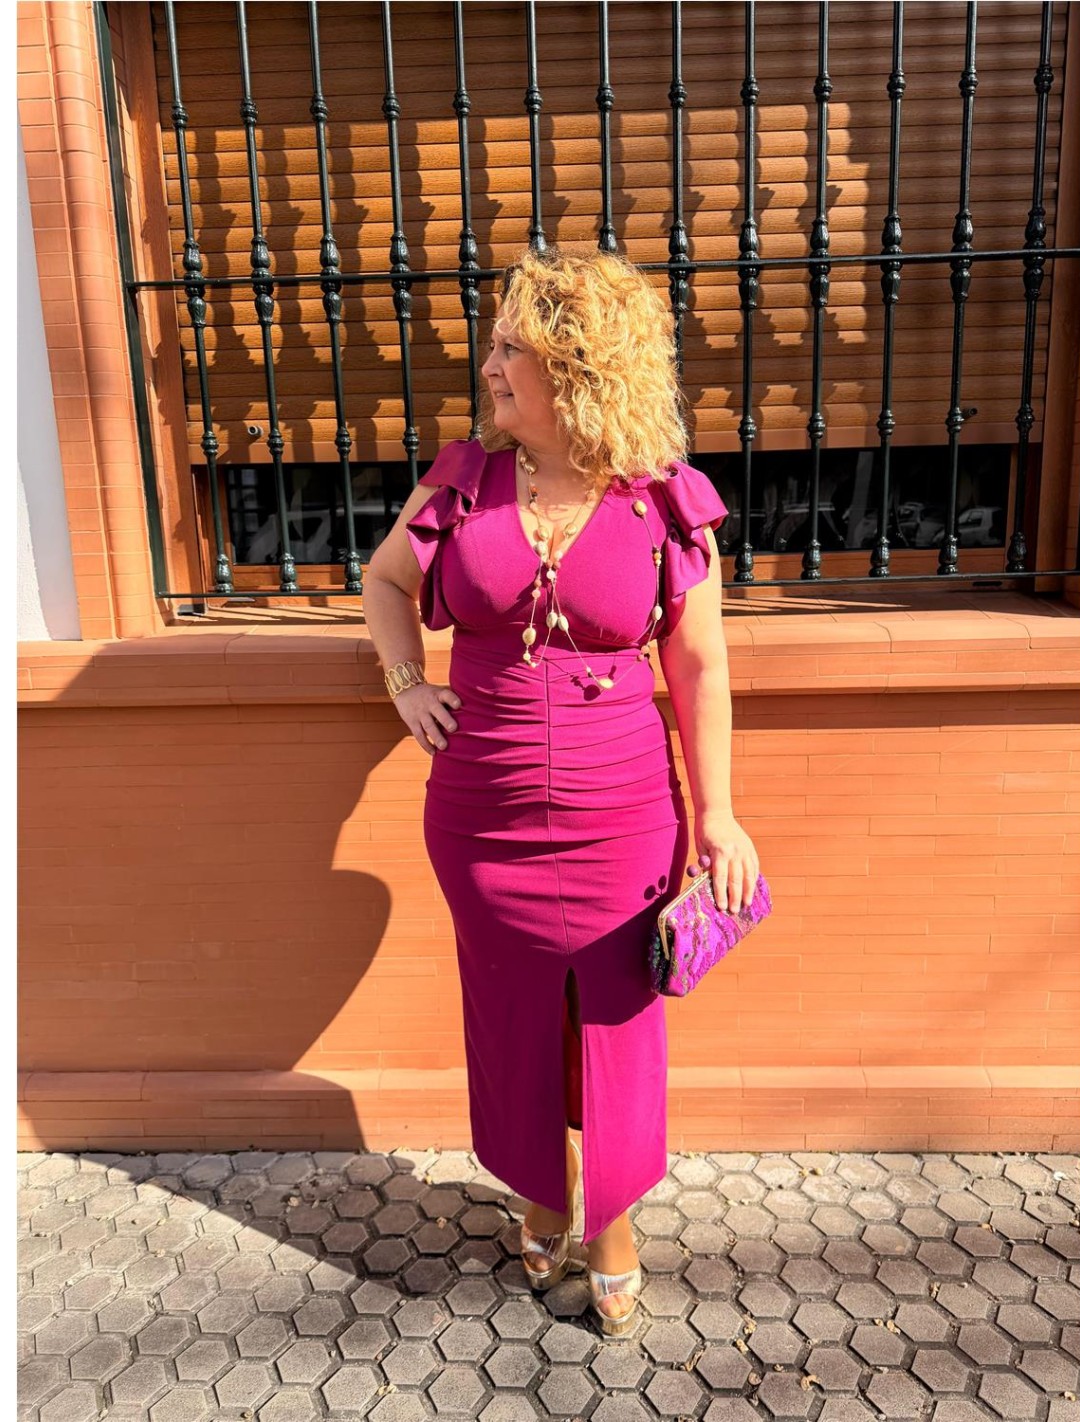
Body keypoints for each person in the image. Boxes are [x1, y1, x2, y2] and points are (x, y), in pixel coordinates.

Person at [361, 245, 760, 1336]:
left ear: (579, 367)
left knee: (617, 1020)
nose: (489, 368)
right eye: (495, 348)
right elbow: (385, 582)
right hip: (479, 813)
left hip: (622, 812)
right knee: (511, 1012)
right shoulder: (464, 479)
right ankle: (542, 1191)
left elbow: (699, 666)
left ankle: (612, 1217)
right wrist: (405, 685)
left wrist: (718, 814)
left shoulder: (663, 500)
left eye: (511, 351)